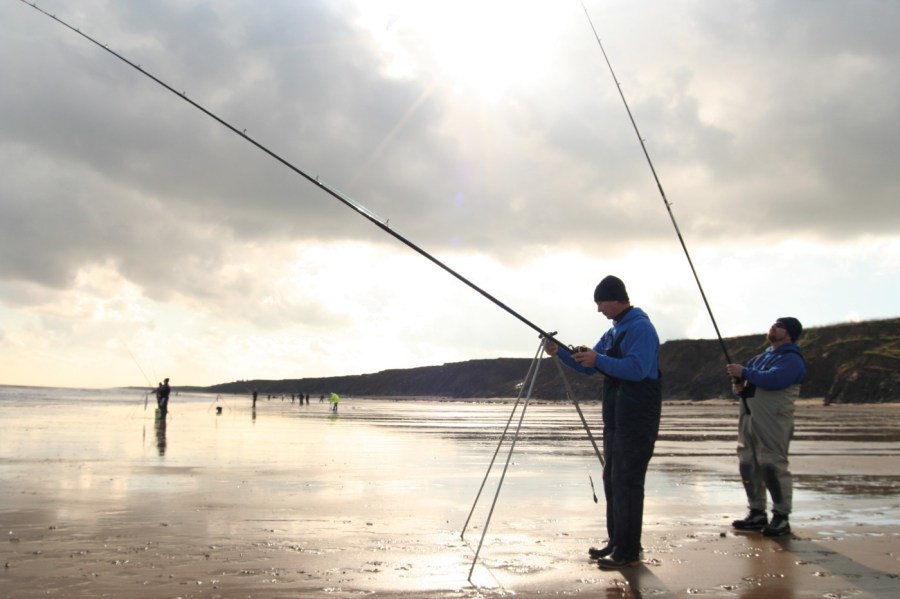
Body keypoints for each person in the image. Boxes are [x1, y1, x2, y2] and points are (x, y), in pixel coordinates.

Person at [544, 275, 662, 570]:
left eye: (601, 303)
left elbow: (637, 369)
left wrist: (597, 359)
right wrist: (562, 352)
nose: (598, 309)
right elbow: (589, 366)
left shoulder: (640, 328)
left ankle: (629, 551)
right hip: (616, 418)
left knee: (627, 482)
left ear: (617, 299)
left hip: (637, 418)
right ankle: (616, 541)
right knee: (612, 480)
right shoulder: (614, 331)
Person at [726, 317, 806, 537]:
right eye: (774, 324)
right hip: (750, 416)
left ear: (789, 334)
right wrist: (739, 383)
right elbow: (747, 386)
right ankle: (756, 512)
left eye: (779, 326)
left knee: (772, 464)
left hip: (774, 419)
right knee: (748, 462)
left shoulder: (792, 359)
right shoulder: (760, 358)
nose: (773, 327)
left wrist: (744, 373)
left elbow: (776, 380)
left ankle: (781, 517)